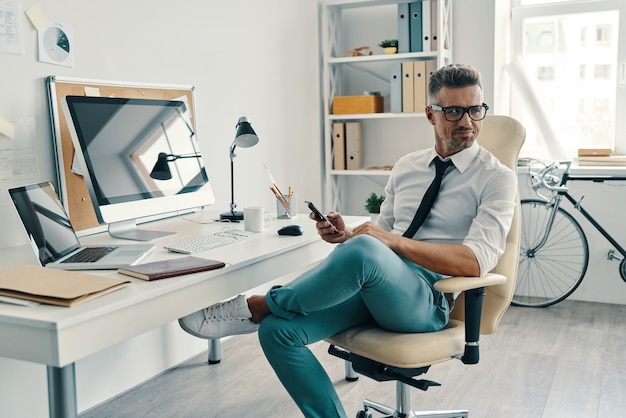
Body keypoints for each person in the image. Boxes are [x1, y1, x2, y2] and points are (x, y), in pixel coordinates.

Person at [178, 64, 517, 418]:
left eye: (476, 109)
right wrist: (346, 237)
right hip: (377, 287)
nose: (467, 121)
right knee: (278, 333)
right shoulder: (407, 167)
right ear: (430, 115)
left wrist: (386, 243)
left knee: (363, 251)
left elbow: (475, 262)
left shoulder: (497, 178)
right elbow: (381, 236)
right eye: (454, 111)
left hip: (426, 301)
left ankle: (259, 305)